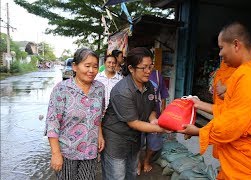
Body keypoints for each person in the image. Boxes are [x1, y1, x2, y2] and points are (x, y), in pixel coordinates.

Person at [179, 22, 251, 179]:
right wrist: (199, 104)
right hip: (240, 157)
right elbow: (231, 110)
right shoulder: (244, 71)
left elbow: (233, 124)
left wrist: (199, 131)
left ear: (236, 45)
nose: (220, 54)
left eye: (221, 47)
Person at [100, 47, 169, 180]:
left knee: (131, 173)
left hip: (134, 139)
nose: (148, 71)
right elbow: (134, 123)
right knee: (117, 176)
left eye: (150, 67)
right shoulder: (122, 91)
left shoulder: (149, 86)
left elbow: (152, 108)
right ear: (131, 68)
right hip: (116, 139)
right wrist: (162, 128)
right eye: (144, 68)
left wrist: (154, 119)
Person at [45, 48, 105, 179]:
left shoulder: (100, 88)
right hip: (67, 151)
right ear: (75, 66)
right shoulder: (62, 89)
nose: (91, 70)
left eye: (95, 66)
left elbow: (99, 115)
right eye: (87, 66)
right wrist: (55, 154)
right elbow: (52, 123)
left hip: (90, 149)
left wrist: (100, 135)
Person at [137, 69, 169, 175]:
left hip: (154, 114)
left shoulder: (157, 75)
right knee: (137, 141)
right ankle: (138, 163)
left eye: (150, 64)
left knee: (153, 142)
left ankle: (146, 160)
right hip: (138, 115)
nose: (148, 68)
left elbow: (163, 95)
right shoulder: (135, 75)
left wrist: (163, 114)